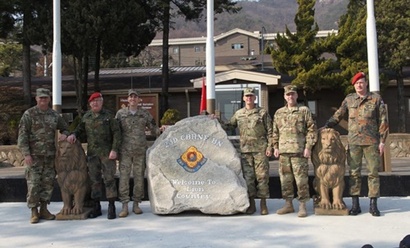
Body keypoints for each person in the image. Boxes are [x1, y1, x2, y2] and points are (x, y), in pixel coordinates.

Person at [325, 72, 389, 217]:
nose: (359, 85)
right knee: (354, 173)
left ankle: (373, 204)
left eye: (361, 82)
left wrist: (382, 142)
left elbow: (384, 121)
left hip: (371, 142)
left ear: (366, 83)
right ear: (354, 85)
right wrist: (328, 124)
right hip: (354, 142)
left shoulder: (376, 99)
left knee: (373, 173)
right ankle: (355, 205)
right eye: (356, 83)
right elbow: (339, 114)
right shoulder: (349, 99)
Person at [18, 88, 70, 224]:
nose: (43, 100)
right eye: (41, 98)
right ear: (36, 99)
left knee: (47, 184)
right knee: (34, 184)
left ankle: (44, 209)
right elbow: (22, 136)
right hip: (34, 157)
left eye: (45, 98)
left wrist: (64, 133)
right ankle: (34, 211)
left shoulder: (54, 115)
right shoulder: (29, 114)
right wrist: (26, 154)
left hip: (50, 156)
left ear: (49, 99)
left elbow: (65, 127)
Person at [67, 92, 121, 219]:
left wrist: (114, 150)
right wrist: (73, 134)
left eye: (98, 101)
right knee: (95, 181)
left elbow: (117, 134)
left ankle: (111, 206)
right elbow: (79, 129)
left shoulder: (109, 116)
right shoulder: (87, 117)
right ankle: (96, 206)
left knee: (109, 180)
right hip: (92, 155)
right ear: (90, 103)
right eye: (93, 101)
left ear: (102, 102)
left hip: (107, 154)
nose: (95, 103)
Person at [272, 85, 317, 218]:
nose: (290, 97)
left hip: (299, 151)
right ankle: (288, 204)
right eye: (288, 95)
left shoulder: (304, 111)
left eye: (292, 94)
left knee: (301, 180)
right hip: (284, 152)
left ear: (297, 96)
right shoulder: (279, 113)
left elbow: (312, 130)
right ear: (284, 97)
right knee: (285, 180)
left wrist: (308, 147)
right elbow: (275, 131)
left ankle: (302, 206)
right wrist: (275, 146)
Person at [226, 87, 273, 215]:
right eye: (247, 96)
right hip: (246, 151)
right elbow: (229, 125)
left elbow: (270, 131)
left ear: (255, 98)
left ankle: (263, 203)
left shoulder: (262, 113)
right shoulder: (239, 113)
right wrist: (215, 119)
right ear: (243, 98)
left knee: (262, 177)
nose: (249, 98)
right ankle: (251, 203)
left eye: (251, 96)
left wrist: (270, 147)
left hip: (260, 150)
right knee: (249, 178)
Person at [115, 89, 160, 218]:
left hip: (140, 151)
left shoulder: (144, 114)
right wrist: (114, 148)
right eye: (131, 97)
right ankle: (124, 205)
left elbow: (153, 128)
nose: (133, 99)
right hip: (125, 151)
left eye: (135, 97)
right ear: (127, 99)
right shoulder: (120, 114)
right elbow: (116, 132)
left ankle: (136, 203)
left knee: (139, 177)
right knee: (124, 177)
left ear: (139, 100)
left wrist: (164, 130)